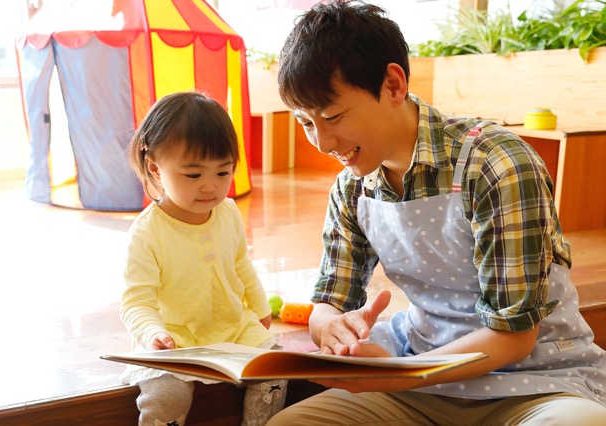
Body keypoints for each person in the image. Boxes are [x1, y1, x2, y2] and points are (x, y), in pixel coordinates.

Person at [267, 1, 606, 424]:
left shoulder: (496, 163)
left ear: (393, 85)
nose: (321, 141)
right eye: (306, 123)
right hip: (417, 380)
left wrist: (395, 375)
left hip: (536, 383)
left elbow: (515, 339)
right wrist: (332, 330)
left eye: (332, 116)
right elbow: (328, 304)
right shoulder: (352, 188)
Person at [121, 91, 286, 426]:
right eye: (194, 175)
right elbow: (136, 301)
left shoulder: (227, 212)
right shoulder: (147, 232)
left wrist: (258, 307)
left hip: (231, 326)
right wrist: (153, 333)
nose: (210, 187)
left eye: (223, 173)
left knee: (277, 370)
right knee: (166, 396)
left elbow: (241, 264)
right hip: (173, 338)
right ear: (155, 167)